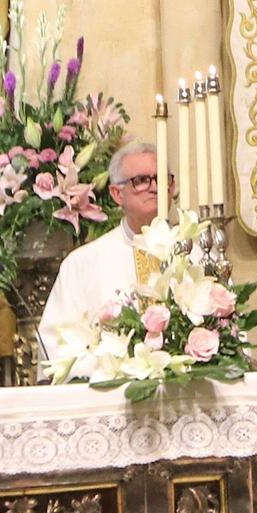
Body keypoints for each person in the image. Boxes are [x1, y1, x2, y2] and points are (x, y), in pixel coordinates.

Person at [37, 142, 164, 371]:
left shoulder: (195, 254)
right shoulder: (82, 264)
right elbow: (56, 351)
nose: (155, 187)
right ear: (117, 194)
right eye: (142, 180)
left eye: (163, 179)